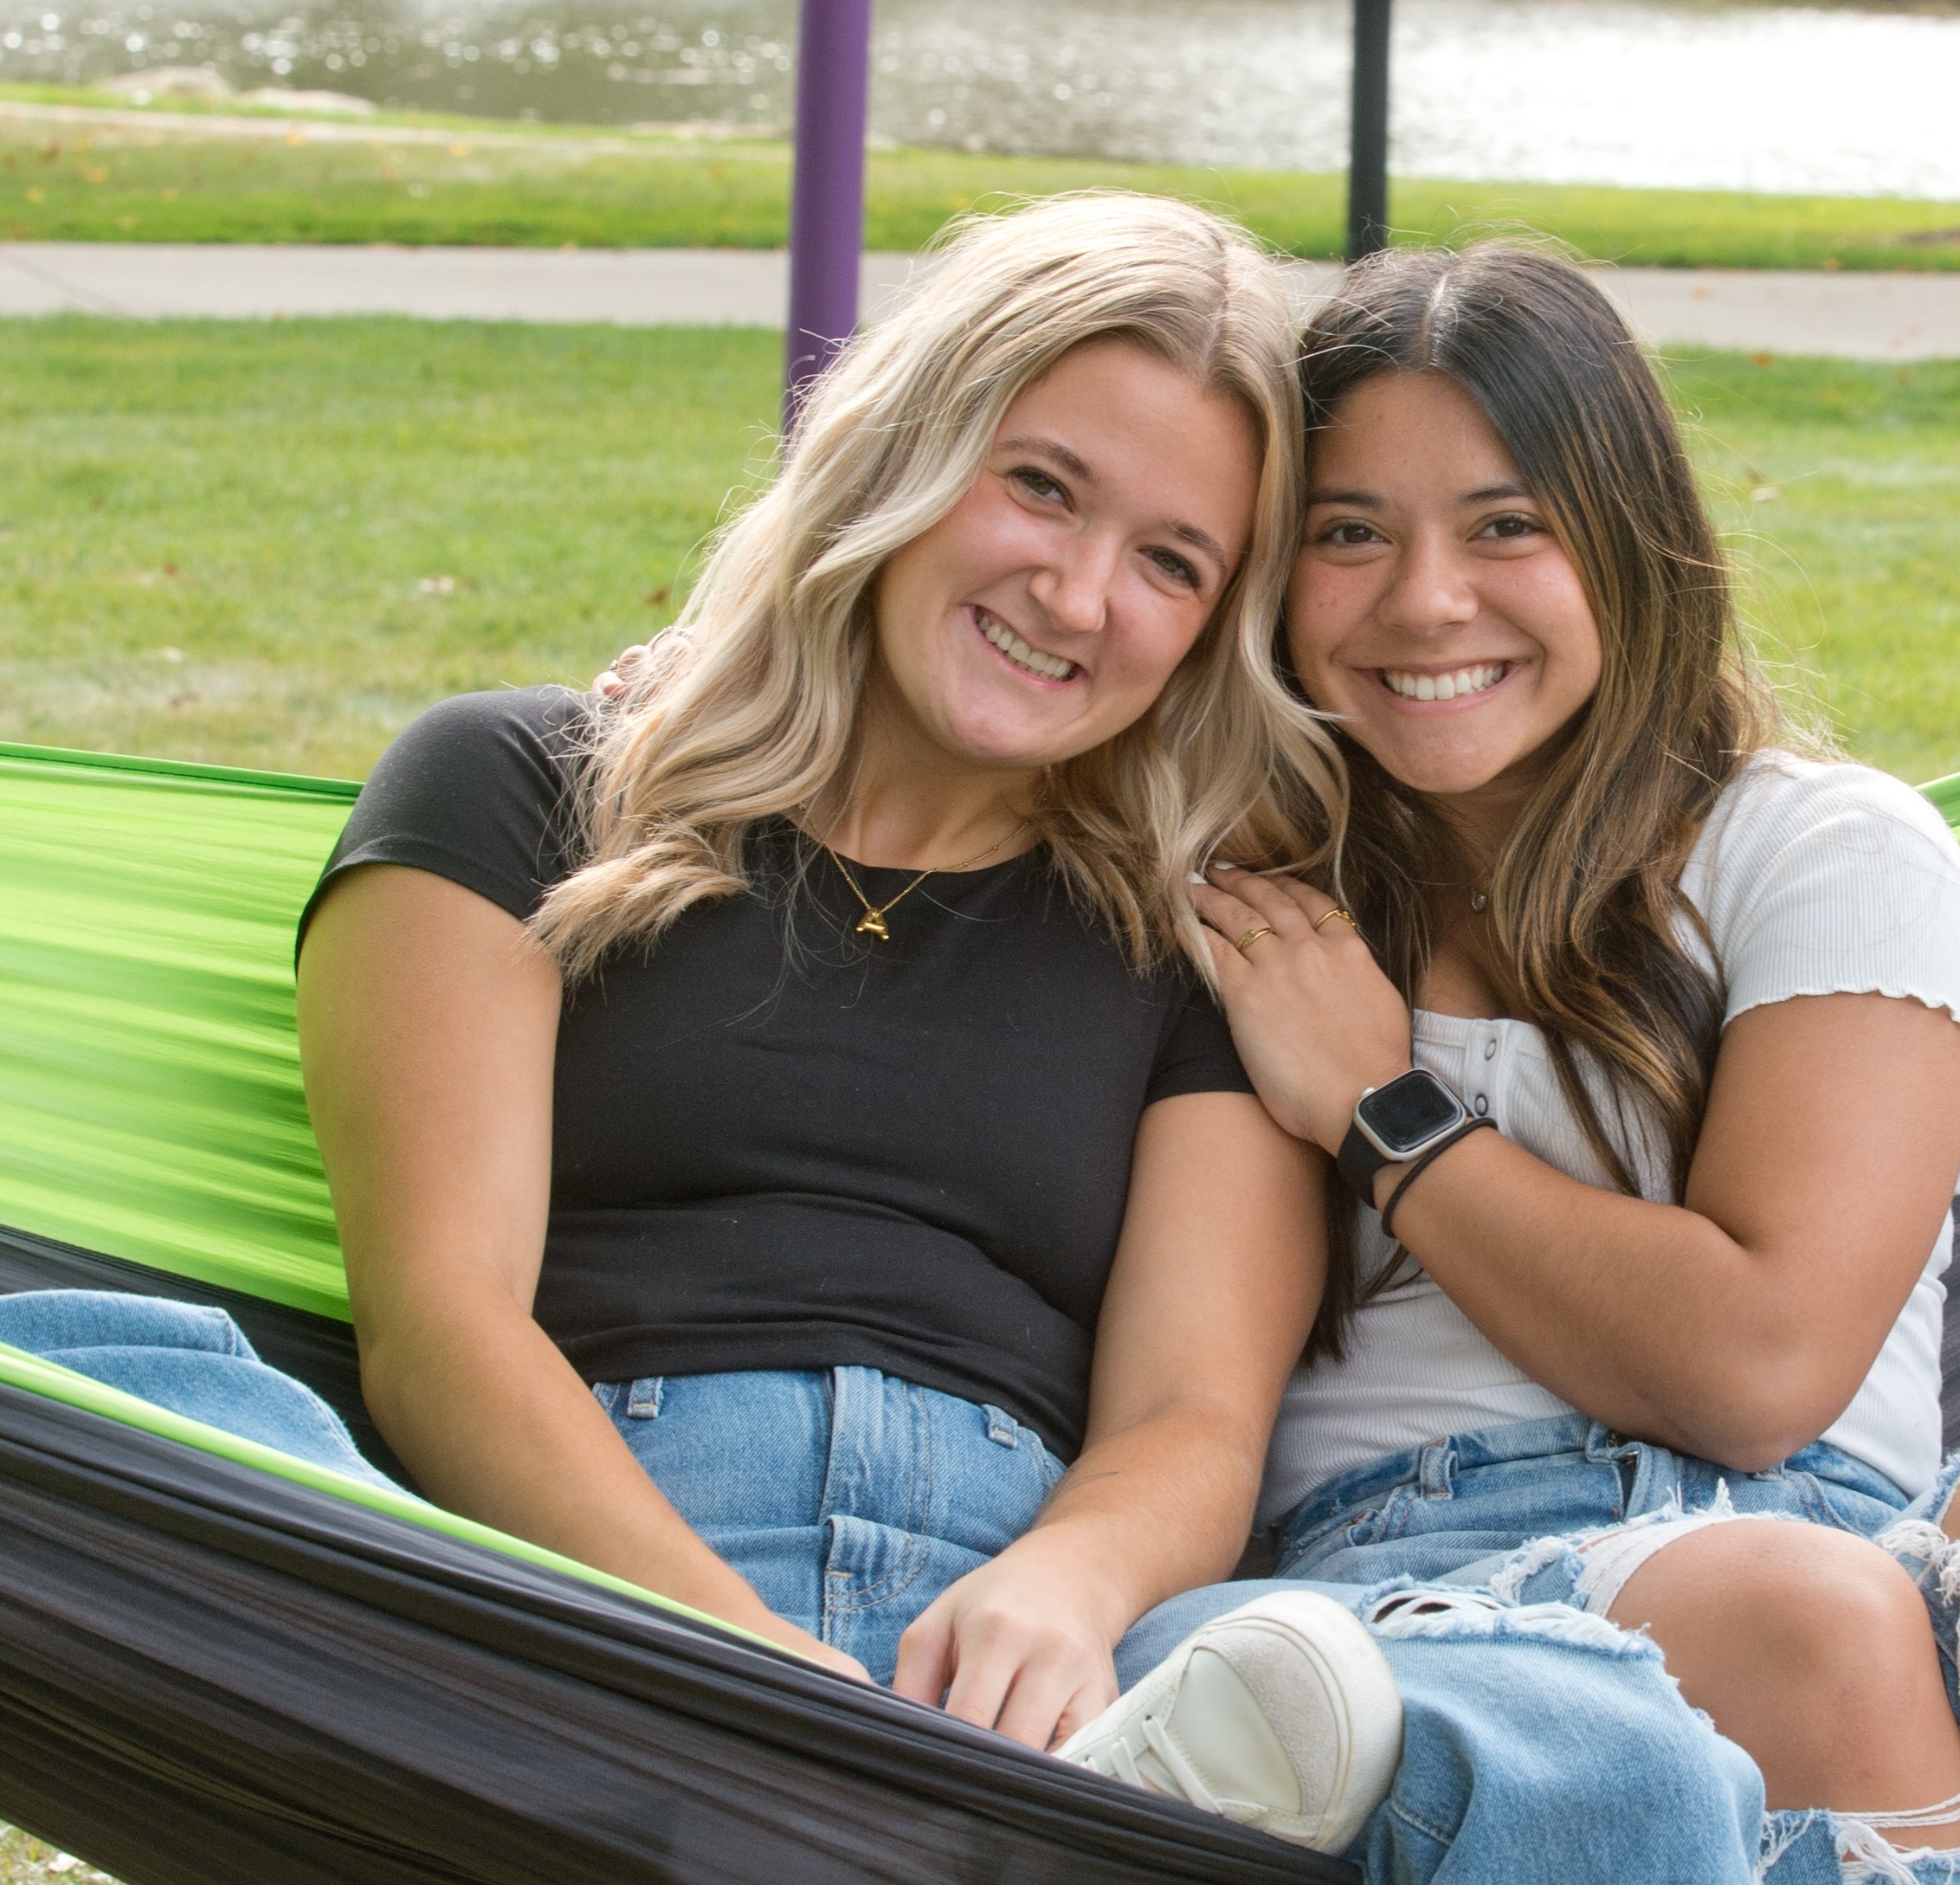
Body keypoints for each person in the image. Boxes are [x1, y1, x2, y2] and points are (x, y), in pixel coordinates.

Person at [0, 192, 1407, 1856]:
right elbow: (445, 1324)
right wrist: (743, 1668)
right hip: (588, 1585)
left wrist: (1067, 1577)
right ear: (904, 447)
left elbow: (1191, 1421)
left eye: (1172, 562)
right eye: (1040, 484)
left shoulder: (1194, 938)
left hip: (1017, 1646)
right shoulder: (523, 791)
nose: (1083, 592)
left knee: (1435, 1706)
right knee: (94, 1384)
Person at [1144, 242, 1960, 1885]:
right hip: (1428, 1590)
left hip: (1836, 1541)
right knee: (1804, 1618)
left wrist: (1391, 1115)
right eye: (1349, 533)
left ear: (1634, 541)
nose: (1426, 600)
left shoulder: (1819, 850)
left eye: (1507, 524)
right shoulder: (1242, 888)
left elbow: (1761, 1363)